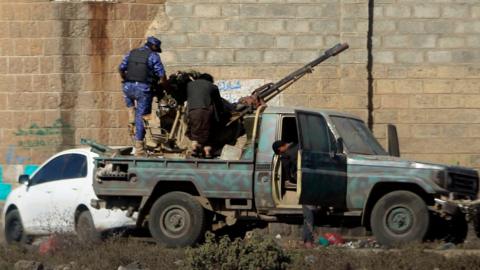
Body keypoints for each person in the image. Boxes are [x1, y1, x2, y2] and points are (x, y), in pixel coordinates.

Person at [118, 36, 168, 156]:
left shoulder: (131, 52)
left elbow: (121, 68)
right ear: (154, 46)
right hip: (143, 90)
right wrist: (164, 86)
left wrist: (125, 79)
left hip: (127, 88)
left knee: (133, 112)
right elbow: (162, 76)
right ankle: (139, 148)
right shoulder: (153, 56)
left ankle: (131, 113)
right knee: (143, 116)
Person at [272, 140, 315, 248]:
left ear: (281, 149)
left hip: (305, 183)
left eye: (280, 153)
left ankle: (308, 241)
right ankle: (305, 239)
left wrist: (290, 177)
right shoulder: (298, 144)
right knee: (307, 213)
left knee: (308, 213)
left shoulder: (289, 154)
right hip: (309, 181)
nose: (281, 154)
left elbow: (291, 173)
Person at [186, 73, 223, 158]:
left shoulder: (189, 85)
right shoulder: (213, 86)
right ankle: (207, 151)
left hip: (192, 111)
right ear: (210, 80)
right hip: (206, 111)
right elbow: (218, 103)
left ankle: (195, 147)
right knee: (209, 130)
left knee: (194, 129)